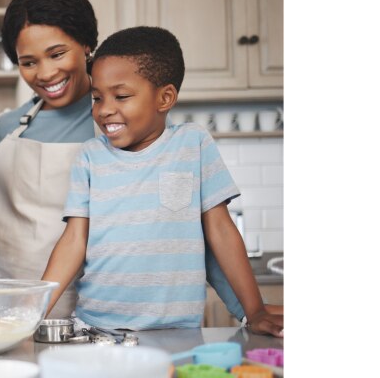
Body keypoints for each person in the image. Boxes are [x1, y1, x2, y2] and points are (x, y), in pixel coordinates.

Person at [0, 0, 251, 323]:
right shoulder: (7, 129)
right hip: (12, 311)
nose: (46, 73)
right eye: (28, 62)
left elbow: (192, 230)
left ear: (86, 46)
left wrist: (247, 310)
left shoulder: (124, 128)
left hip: (92, 319)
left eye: (57, 53)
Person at [41, 26, 284, 337]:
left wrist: (255, 311)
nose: (104, 110)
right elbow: (74, 240)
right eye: (97, 97)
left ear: (165, 97)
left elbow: (220, 231)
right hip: (96, 328)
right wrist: (34, 313)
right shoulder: (90, 157)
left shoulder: (192, 145)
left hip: (177, 331)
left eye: (122, 96)